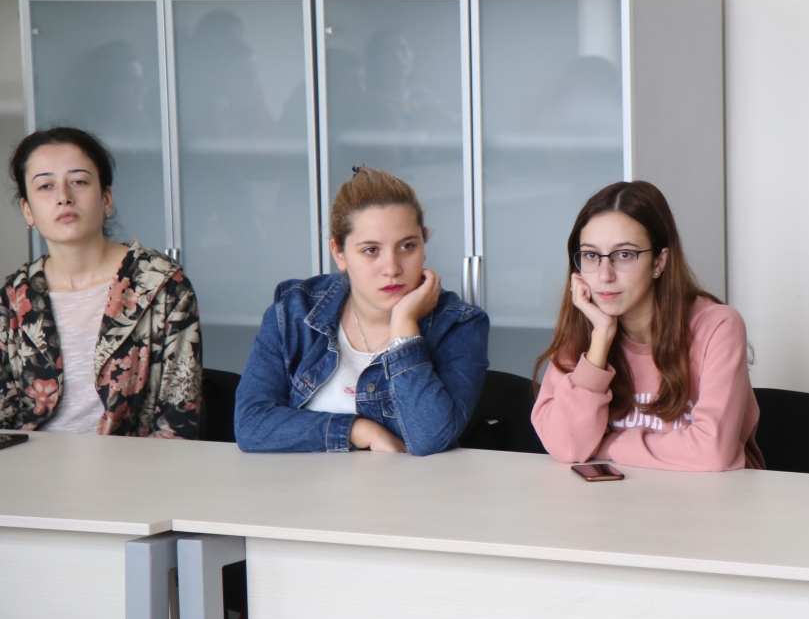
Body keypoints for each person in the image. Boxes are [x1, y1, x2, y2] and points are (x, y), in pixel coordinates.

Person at [234, 167, 487, 455]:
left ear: (423, 246)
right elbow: (250, 424)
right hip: (302, 482)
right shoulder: (294, 310)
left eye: (407, 246)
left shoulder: (459, 324)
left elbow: (429, 438)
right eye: (371, 250)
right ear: (339, 253)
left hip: (409, 484)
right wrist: (357, 430)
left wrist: (404, 326)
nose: (392, 268)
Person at [531, 181, 763, 471]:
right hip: (618, 495)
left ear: (659, 261)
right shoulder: (585, 327)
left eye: (624, 255)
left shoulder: (718, 325)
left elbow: (712, 452)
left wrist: (607, 444)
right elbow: (566, 447)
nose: (604, 275)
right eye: (591, 255)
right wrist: (601, 338)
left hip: (713, 496)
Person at [0, 127, 202, 438]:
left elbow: (178, 424)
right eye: (45, 186)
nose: (64, 197)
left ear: (106, 199)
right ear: (28, 210)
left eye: (79, 181)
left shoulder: (163, 287)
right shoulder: (14, 297)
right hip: (32, 462)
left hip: (130, 464)